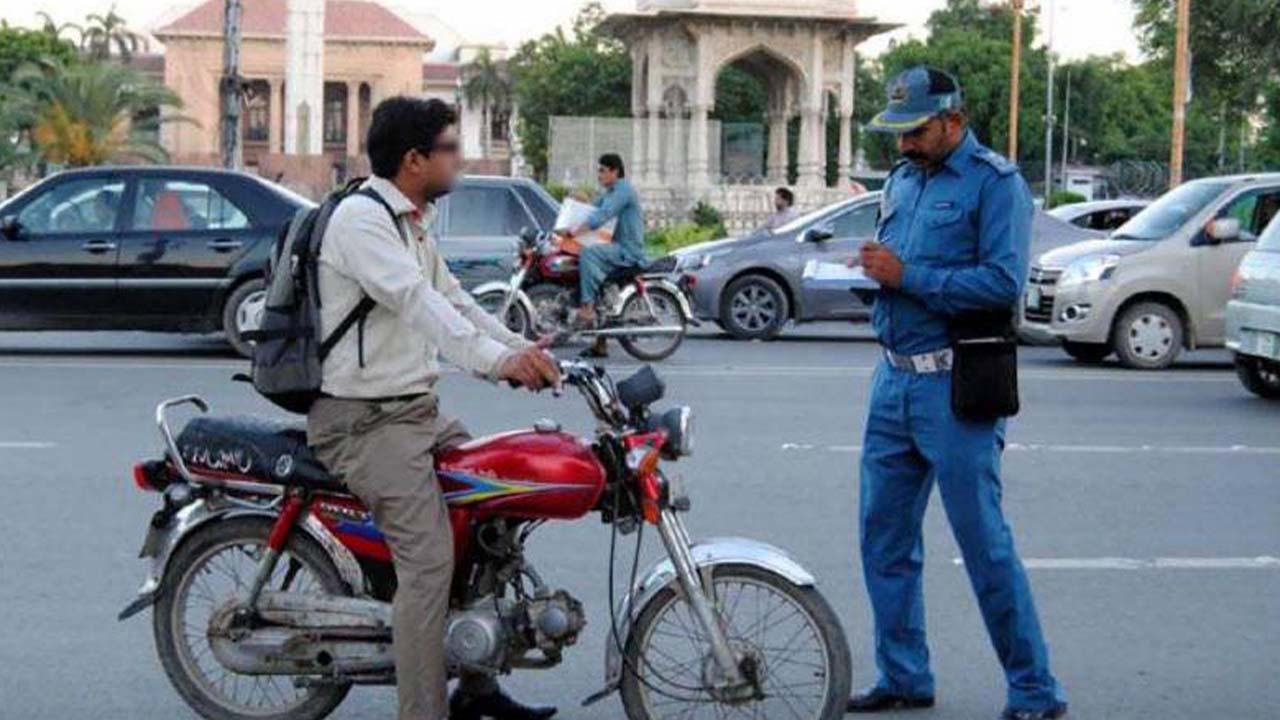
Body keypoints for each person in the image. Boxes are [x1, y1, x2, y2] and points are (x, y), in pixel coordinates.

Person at [306, 96, 561, 720]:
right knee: (428, 561)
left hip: (414, 413)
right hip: (364, 422)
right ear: (415, 160)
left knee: (491, 519)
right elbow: (420, 305)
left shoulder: (409, 222)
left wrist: (523, 348)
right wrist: (496, 364)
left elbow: (459, 302)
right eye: (451, 149)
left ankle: (477, 686)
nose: (461, 161)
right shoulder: (361, 222)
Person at [847, 67, 1068, 720]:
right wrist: (876, 275)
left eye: (916, 132)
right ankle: (904, 676)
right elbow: (900, 265)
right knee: (883, 539)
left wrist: (908, 274)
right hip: (892, 381)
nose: (905, 145)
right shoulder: (902, 178)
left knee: (983, 545)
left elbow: (1003, 284)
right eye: (898, 134)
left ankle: (1035, 692)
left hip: (956, 388)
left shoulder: (996, 184)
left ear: (953, 121)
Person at [566, 152, 647, 358]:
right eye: (598, 170)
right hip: (616, 247)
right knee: (599, 285)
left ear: (615, 171)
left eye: (602, 170)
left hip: (627, 250)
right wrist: (574, 206)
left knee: (589, 254)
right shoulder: (610, 192)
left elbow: (602, 215)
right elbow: (593, 208)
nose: (599, 175)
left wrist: (577, 231)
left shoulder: (623, 190)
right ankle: (600, 344)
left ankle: (586, 308)